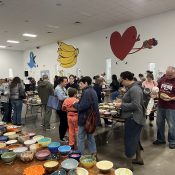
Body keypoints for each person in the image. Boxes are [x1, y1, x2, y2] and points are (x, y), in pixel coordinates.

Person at [115, 71, 146, 171]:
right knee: (135, 139)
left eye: (122, 80)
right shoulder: (133, 88)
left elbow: (135, 105)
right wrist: (123, 100)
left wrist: (121, 105)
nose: (121, 82)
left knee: (129, 140)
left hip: (134, 118)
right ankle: (139, 158)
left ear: (127, 79)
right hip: (136, 117)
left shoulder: (135, 89)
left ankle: (128, 165)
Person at [73, 76, 100, 155]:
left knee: (81, 137)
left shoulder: (87, 92)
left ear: (86, 83)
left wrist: (75, 104)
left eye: (81, 83)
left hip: (85, 118)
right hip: (90, 118)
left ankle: (80, 154)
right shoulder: (92, 90)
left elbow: (82, 106)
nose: (80, 85)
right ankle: (93, 152)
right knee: (90, 136)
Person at [153, 66, 175, 149]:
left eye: (170, 75)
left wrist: (171, 98)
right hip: (161, 105)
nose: (168, 77)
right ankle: (161, 139)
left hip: (171, 107)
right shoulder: (163, 79)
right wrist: (154, 91)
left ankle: (172, 141)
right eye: (167, 75)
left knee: (172, 125)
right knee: (159, 123)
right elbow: (157, 89)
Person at [55, 76, 68, 141]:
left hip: (63, 107)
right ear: (61, 82)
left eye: (66, 81)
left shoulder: (63, 88)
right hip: (60, 108)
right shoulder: (58, 89)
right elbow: (60, 98)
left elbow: (63, 96)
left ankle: (63, 134)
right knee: (63, 122)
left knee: (65, 122)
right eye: (65, 82)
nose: (66, 83)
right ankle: (61, 137)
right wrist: (68, 96)